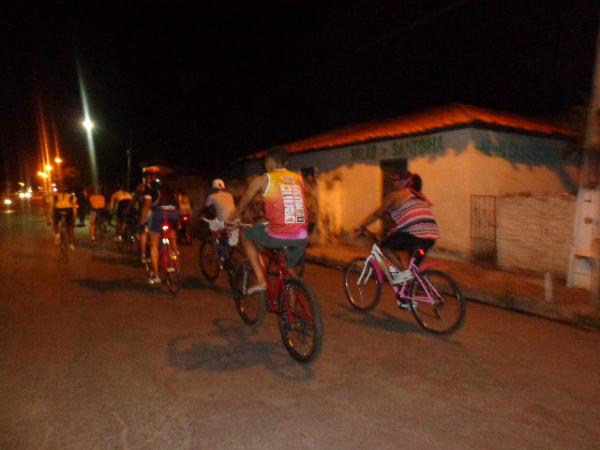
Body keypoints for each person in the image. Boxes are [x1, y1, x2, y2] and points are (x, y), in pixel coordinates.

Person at [229, 146, 308, 294]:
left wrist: (231, 218)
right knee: (287, 266)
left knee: (246, 234)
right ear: (286, 163)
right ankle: (297, 297)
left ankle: (260, 280)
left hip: (279, 234)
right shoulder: (298, 179)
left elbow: (245, 200)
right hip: (302, 236)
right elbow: (289, 203)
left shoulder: (263, 180)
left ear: (269, 162)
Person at [355, 172, 439, 284]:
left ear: (403, 182)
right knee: (412, 268)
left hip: (415, 234)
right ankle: (409, 292)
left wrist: (361, 226)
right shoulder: (418, 196)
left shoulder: (394, 195)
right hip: (431, 236)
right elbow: (404, 217)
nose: (392, 183)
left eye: (395, 181)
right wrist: (394, 229)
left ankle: (406, 276)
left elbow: (376, 214)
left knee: (385, 247)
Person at [140, 169, 180, 285]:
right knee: (170, 229)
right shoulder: (169, 187)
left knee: (154, 245)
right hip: (173, 213)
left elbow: (147, 206)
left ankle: (157, 275)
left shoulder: (150, 187)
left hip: (159, 213)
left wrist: (142, 223)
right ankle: (174, 251)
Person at [205, 178, 237, 244]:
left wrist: (199, 215)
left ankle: (215, 253)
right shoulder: (230, 195)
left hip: (224, 222)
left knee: (213, 230)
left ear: (213, 188)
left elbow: (205, 207)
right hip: (235, 220)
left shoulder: (212, 196)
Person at [51, 184, 77, 250]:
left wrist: (50, 216)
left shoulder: (56, 196)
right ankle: (71, 244)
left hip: (58, 210)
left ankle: (57, 234)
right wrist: (74, 217)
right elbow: (74, 207)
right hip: (68, 210)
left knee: (55, 223)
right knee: (70, 227)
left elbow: (52, 206)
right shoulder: (71, 196)